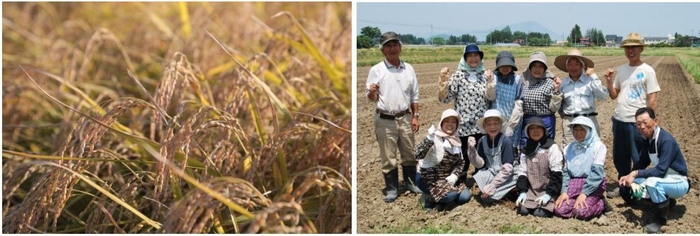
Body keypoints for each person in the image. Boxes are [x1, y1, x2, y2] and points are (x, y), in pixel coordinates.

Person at [365, 31, 421, 203]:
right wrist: (372, 92)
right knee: (388, 156)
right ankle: (391, 189)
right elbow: (371, 97)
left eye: (395, 45)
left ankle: (411, 183)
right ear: (382, 50)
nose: (392, 48)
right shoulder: (377, 70)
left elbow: (414, 95)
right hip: (385, 119)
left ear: (400, 47)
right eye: (388, 46)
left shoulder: (408, 68)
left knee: (409, 153)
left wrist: (415, 116)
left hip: (404, 117)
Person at [604, 32, 661, 198]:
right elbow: (614, 95)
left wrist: (647, 122)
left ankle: (636, 186)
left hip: (635, 122)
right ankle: (623, 186)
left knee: (637, 157)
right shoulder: (622, 70)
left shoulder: (647, 71)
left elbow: (652, 99)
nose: (631, 51)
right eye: (628, 48)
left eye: (634, 47)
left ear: (641, 49)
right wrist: (609, 81)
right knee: (620, 156)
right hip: (619, 119)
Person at [618, 107, 690, 233]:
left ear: (655, 121)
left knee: (653, 183)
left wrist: (636, 173)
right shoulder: (648, 139)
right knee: (628, 188)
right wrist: (629, 175)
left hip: (678, 181)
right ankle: (667, 202)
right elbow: (643, 162)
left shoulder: (665, 140)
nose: (642, 127)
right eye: (638, 124)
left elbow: (660, 170)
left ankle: (660, 220)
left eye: (645, 122)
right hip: (664, 179)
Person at [437, 44, 494, 183]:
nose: (473, 59)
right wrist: (443, 81)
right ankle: (460, 179)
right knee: (462, 154)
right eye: (470, 56)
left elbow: (491, 97)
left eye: (476, 56)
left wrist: (491, 81)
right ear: (465, 58)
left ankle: (480, 180)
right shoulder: (458, 75)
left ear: (480, 58)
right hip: (463, 124)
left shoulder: (485, 75)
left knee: (480, 153)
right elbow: (445, 98)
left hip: (480, 124)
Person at [415, 109, 472, 212]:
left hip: (447, 178)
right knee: (451, 195)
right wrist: (429, 140)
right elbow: (418, 154)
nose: (450, 124)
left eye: (453, 121)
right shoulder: (434, 138)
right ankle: (429, 197)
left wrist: (454, 176)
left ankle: (442, 199)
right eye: (447, 121)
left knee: (465, 197)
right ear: (441, 122)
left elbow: (460, 162)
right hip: (430, 178)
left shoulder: (456, 141)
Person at [554, 116, 607, 220]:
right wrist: (564, 191)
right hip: (573, 183)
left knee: (581, 212)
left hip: (592, 182)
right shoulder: (568, 148)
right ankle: (577, 203)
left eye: (582, 130)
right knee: (559, 209)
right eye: (576, 130)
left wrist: (584, 193)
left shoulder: (598, 146)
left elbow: (597, 173)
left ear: (589, 130)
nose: (578, 133)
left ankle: (601, 204)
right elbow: (566, 172)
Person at [554, 49, 609, 148]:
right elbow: (558, 107)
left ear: (582, 66)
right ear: (566, 67)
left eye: (577, 64)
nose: (573, 67)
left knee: (592, 151)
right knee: (569, 152)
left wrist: (594, 76)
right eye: (570, 64)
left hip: (589, 121)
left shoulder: (590, 81)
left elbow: (602, 96)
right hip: (570, 124)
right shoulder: (563, 84)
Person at [514, 117, 563, 218]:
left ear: (544, 131)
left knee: (539, 213)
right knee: (523, 210)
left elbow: (557, 174)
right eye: (532, 128)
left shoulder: (552, 147)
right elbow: (522, 172)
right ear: (528, 132)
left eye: (538, 128)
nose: (535, 131)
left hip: (548, 190)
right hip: (531, 191)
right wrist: (522, 191)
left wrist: (549, 194)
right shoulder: (526, 149)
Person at [469, 109, 517, 205]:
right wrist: (472, 151)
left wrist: (492, 185)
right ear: (484, 126)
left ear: (501, 125)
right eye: (488, 124)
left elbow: (508, 169)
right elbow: (480, 165)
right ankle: (503, 193)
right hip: (491, 172)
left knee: (486, 198)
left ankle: (508, 192)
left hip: (508, 174)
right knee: (481, 176)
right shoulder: (482, 141)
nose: (492, 127)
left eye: (496, 123)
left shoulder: (506, 142)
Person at [519, 51, 562, 151]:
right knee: (526, 146)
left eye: (540, 66)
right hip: (528, 119)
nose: (537, 69)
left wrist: (556, 91)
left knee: (546, 148)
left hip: (545, 120)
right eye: (534, 66)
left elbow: (554, 108)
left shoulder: (551, 83)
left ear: (545, 68)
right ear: (529, 68)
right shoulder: (523, 81)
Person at [486, 51, 524, 155]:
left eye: (508, 65)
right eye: (502, 65)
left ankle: (512, 163)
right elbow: (490, 96)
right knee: (496, 144)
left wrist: (512, 123)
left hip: (512, 119)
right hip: (495, 118)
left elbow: (519, 102)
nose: (505, 68)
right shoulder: (493, 77)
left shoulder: (517, 79)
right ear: (498, 66)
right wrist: (490, 83)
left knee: (511, 145)